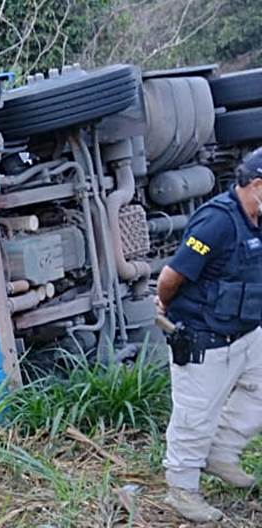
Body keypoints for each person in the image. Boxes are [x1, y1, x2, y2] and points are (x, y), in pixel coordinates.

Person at [155, 147, 262, 523]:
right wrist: (165, 308)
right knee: (194, 417)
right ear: (258, 185)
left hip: (247, 333)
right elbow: (171, 278)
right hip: (205, 339)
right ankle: (182, 489)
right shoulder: (215, 222)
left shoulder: (258, 219)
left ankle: (221, 452)